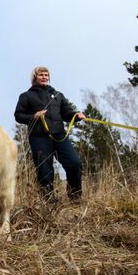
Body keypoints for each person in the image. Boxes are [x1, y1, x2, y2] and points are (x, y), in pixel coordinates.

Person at [14, 66, 86, 203]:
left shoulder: (58, 95)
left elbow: (67, 114)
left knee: (74, 163)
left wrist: (76, 116)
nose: (44, 77)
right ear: (35, 77)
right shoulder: (26, 96)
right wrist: (33, 116)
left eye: (46, 75)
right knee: (44, 169)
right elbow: (18, 116)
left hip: (59, 136)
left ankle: (75, 197)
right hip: (39, 137)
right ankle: (49, 202)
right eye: (41, 75)